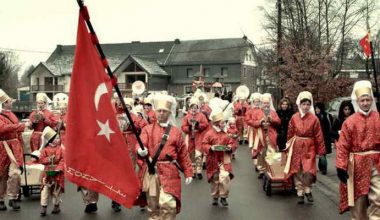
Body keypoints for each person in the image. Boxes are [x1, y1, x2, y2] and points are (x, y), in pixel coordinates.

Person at [136, 94, 193, 220]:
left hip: (170, 171)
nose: (161, 113)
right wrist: (141, 150)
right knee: (153, 205)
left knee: (168, 203)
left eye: (164, 111)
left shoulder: (176, 132)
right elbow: (141, 143)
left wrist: (188, 172)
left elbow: (183, 154)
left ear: (169, 113)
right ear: (155, 112)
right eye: (159, 111)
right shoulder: (147, 129)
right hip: (152, 171)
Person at [336, 80, 380, 219]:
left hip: (377, 162)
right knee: (358, 199)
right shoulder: (349, 122)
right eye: (362, 100)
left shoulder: (378, 118)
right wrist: (341, 167)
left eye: (368, 99)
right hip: (357, 165)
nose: (365, 103)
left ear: (371, 100)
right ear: (357, 101)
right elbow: (343, 145)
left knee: (378, 195)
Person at [285, 91, 325, 204]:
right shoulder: (294, 118)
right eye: (304, 104)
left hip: (309, 146)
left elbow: (319, 135)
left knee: (309, 169)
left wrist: (321, 150)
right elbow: (290, 132)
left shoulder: (314, 119)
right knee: (297, 169)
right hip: (297, 145)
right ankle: (300, 192)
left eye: (308, 104)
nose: (306, 106)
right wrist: (288, 147)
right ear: (300, 104)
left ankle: (308, 189)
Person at [202, 109, 237, 207]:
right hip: (213, 158)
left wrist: (230, 147)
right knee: (215, 178)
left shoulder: (226, 134)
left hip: (224, 158)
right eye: (222, 122)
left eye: (224, 122)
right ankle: (215, 196)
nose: (224, 124)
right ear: (217, 123)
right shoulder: (209, 133)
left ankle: (223, 197)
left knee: (225, 177)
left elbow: (232, 143)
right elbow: (204, 144)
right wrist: (211, 148)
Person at [0, 89, 27, 211]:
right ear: (4, 103)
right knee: (2, 175)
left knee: (15, 173)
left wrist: (22, 147)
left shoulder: (12, 114)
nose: (11, 102)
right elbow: (2, 129)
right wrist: (20, 126)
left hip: (15, 147)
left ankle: (12, 198)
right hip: (3, 147)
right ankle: (1, 199)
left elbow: (18, 132)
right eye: (9, 101)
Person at [247, 93, 280, 178]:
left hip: (270, 134)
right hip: (260, 135)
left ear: (270, 103)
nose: (266, 104)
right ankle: (261, 169)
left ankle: (271, 169)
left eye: (267, 103)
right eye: (264, 103)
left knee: (271, 152)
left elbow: (278, 122)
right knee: (261, 153)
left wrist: (271, 120)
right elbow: (252, 122)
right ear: (262, 103)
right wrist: (260, 122)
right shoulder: (257, 112)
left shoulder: (273, 112)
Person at [38, 127, 65, 216]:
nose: (59, 139)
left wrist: (59, 168)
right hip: (47, 173)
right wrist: (49, 159)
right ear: (51, 140)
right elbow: (41, 160)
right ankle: (44, 206)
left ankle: (56, 205)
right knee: (45, 190)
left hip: (58, 173)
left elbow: (63, 160)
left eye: (58, 138)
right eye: (57, 138)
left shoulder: (61, 149)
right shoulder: (45, 150)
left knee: (57, 190)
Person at [181, 98, 208, 179]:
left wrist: (198, 126)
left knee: (198, 154)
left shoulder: (201, 116)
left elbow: (206, 124)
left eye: (195, 108)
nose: (193, 109)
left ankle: (199, 171)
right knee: (191, 155)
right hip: (190, 137)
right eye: (192, 108)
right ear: (189, 109)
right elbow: (183, 127)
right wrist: (188, 128)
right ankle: (193, 171)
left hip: (199, 136)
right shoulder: (187, 117)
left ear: (197, 108)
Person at [315, 102, 334, 175]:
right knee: (322, 153)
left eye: (318, 108)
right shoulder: (325, 116)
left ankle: (324, 168)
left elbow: (329, 127)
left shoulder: (324, 116)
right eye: (316, 108)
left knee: (322, 154)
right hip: (323, 137)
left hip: (324, 137)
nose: (316, 110)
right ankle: (322, 167)